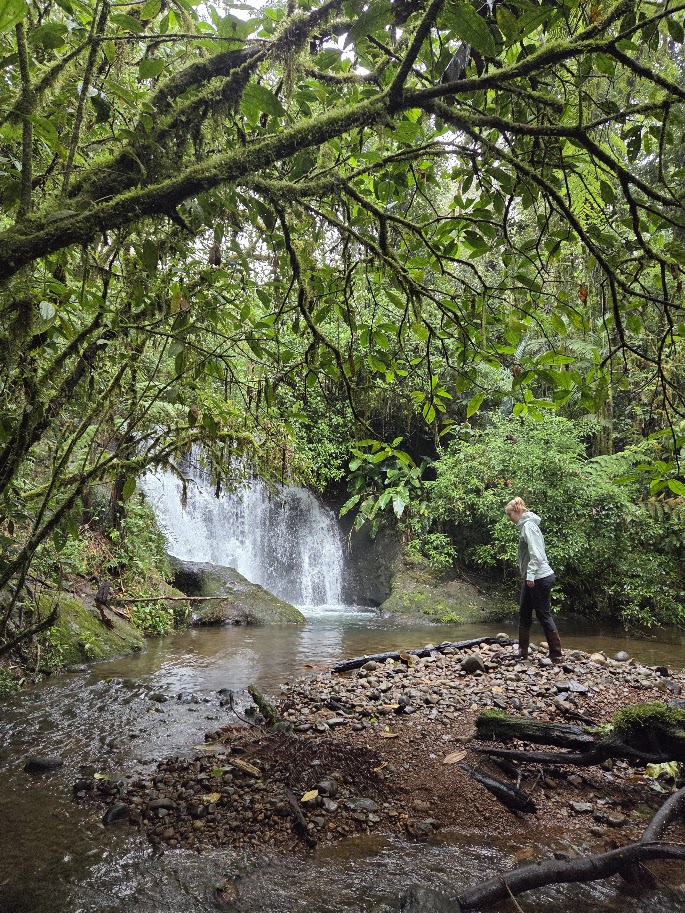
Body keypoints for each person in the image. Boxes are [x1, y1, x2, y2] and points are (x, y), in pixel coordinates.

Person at [504, 497, 563, 663]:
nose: (509, 518)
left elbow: (536, 555)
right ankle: (522, 651)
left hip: (539, 577)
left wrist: (530, 576)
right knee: (524, 613)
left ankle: (556, 654)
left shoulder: (529, 526)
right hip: (533, 577)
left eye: (509, 514)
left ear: (517, 512)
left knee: (544, 615)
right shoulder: (526, 526)